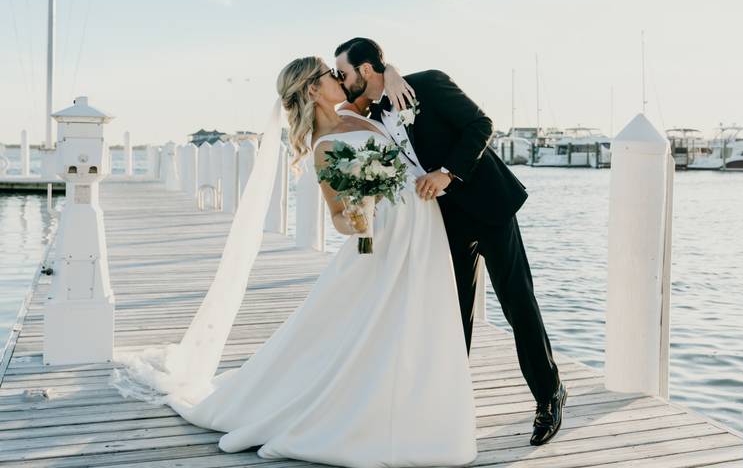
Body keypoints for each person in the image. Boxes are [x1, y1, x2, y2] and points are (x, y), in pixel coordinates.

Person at [111, 57, 477, 467]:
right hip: (382, 241)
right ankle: (371, 416)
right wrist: (359, 211)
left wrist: (389, 70)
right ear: (312, 90)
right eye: (328, 74)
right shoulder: (324, 147)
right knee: (378, 327)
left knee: (421, 319)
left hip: (422, 227)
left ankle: (417, 410)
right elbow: (339, 218)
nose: (338, 77)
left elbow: (382, 85)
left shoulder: (360, 117)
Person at [335, 37, 566, 446]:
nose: (341, 78)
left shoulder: (426, 83)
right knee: (453, 313)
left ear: (366, 70)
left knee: (517, 301)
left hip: (489, 204)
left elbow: (482, 125)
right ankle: (449, 405)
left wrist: (448, 173)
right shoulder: (372, 111)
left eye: (345, 72)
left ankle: (549, 395)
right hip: (444, 221)